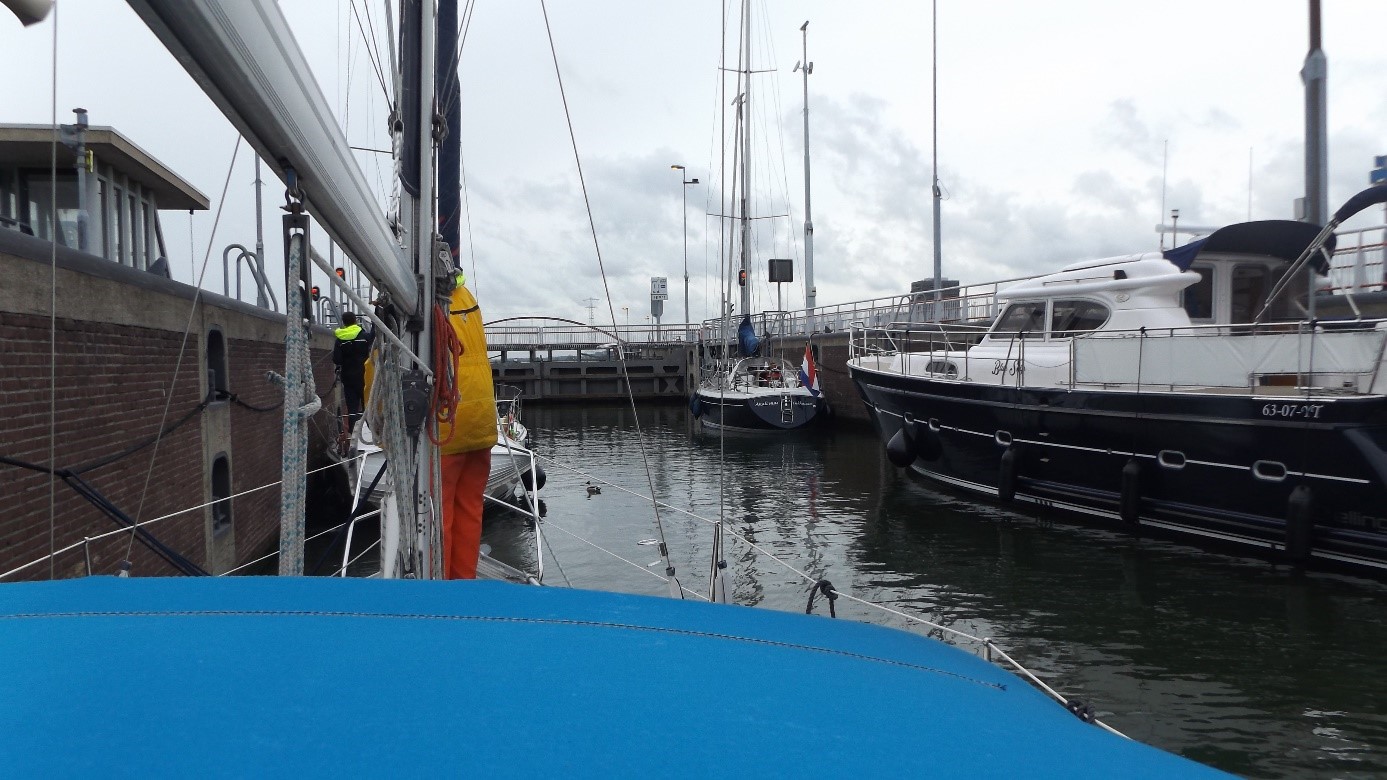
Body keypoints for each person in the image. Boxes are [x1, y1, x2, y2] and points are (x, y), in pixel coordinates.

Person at [435, 270, 498, 579]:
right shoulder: (468, 299)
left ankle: (438, 589)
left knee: (437, 516)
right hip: (480, 425)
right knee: (470, 510)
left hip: (443, 430)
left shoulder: (419, 301)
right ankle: (463, 583)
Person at [332, 312, 373, 432]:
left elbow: (337, 359)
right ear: (355, 320)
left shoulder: (340, 339)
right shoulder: (364, 336)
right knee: (367, 405)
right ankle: (371, 430)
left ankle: (352, 434)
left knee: (352, 409)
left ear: (344, 322)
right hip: (365, 376)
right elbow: (373, 345)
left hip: (348, 378)